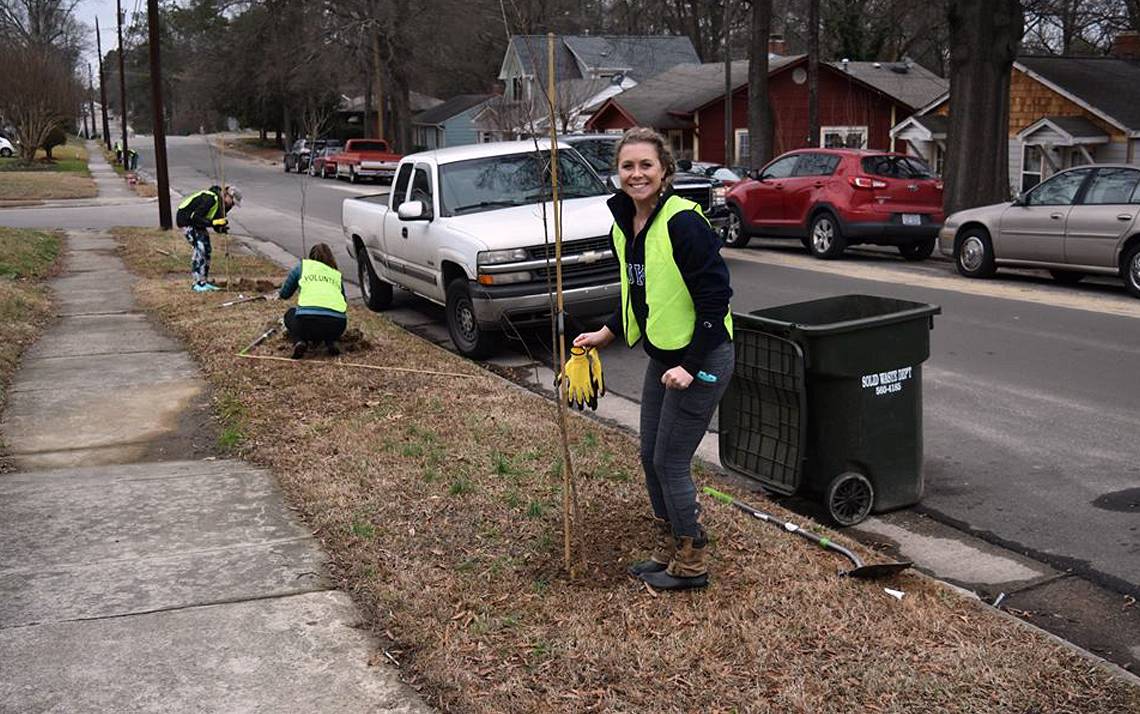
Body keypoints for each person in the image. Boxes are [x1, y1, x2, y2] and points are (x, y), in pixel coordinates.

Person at [573, 127, 734, 592]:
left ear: (665, 170)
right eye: (628, 166)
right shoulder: (626, 224)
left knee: (670, 460)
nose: (636, 174)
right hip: (664, 358)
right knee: (649, 455)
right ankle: (670, 543)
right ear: (617, 173)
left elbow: (716, 299)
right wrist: (607, 331)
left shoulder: (684, 223)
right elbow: (640, 295)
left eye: (646, 165)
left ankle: (692, 560)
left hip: (702, 358)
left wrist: (689, 364)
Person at [275, 243, 347, 359]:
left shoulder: (302, 267)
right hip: (338, 324)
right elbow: (343, 301)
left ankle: (300, 341)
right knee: (329, 319)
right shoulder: (336, 274)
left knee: (290, 314)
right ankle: (330, 341)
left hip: (307, 323)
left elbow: (285, 294)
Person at [175, 185, 241, 292]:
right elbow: (195, 218)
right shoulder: (210, 199)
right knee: (201, 249)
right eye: (232, 202)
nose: (232, 205)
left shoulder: (223, 206)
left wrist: (221, 228)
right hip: (187, 221)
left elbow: (215, 223)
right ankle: (197, 283)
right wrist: (214, 223)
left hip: (198, 225)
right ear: (227, 195)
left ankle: (203, 281)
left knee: (207, 249)